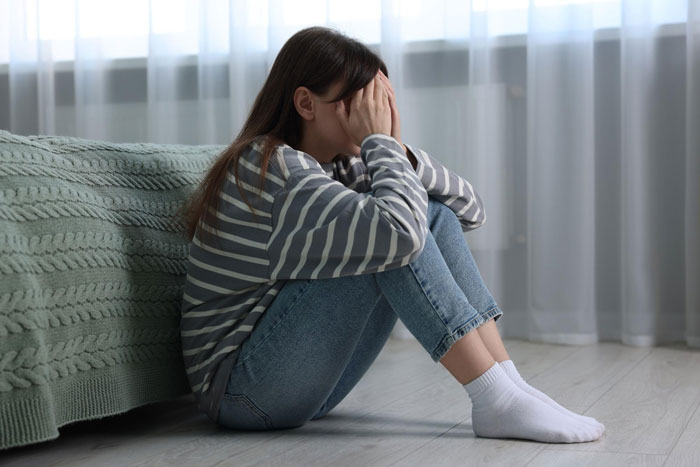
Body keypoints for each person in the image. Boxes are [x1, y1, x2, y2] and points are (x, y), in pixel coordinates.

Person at [178, 25, 605, 443]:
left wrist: (394, 150)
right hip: (242, 393)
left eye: (377, 103)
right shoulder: (273, 168)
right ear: (306, 104)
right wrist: (379, 141)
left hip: (301, 388)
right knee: (396, 231)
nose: (373, 114)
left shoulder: (340, 167)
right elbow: (401, 234)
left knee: (428, 214)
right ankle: (494, 396)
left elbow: (470, 210)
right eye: (358, 103)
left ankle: (509, 387)